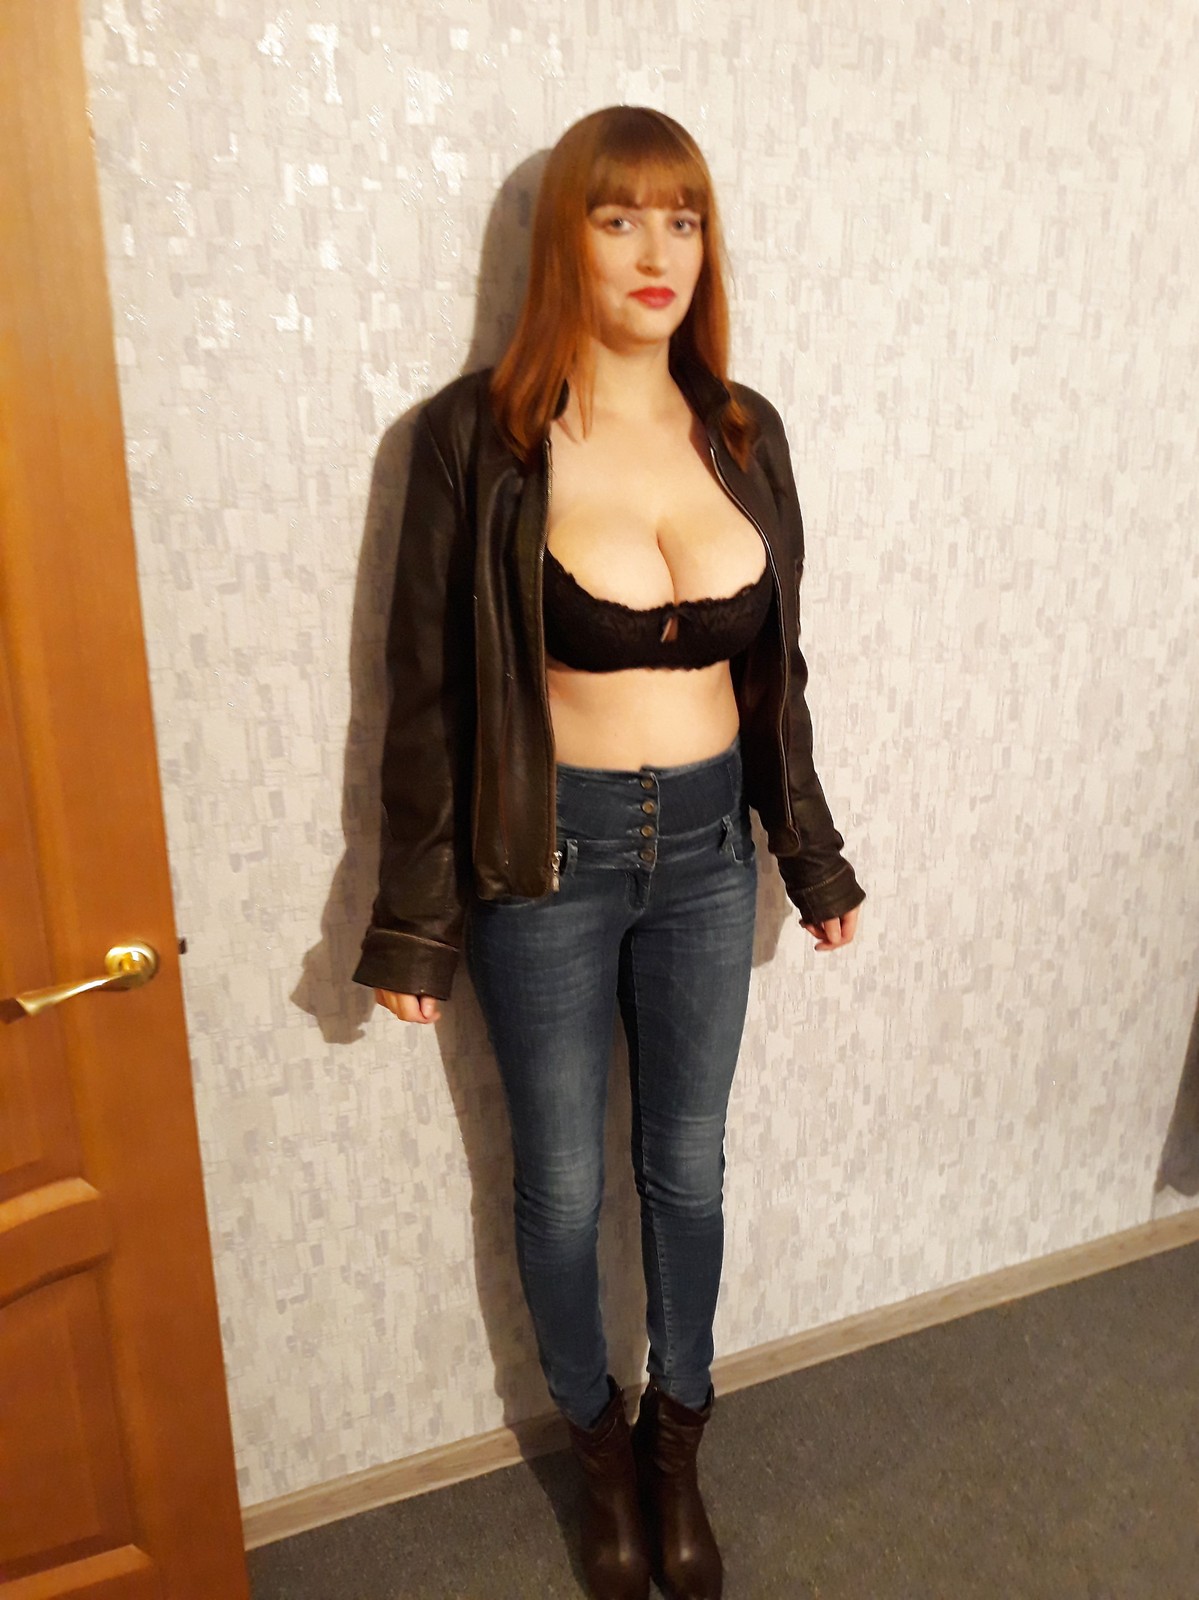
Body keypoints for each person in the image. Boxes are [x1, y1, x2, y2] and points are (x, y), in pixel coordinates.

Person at [354, 106, 864, 1600]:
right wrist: (412, 925)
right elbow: (429, 697)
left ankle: (676, 1442)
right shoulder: (475, 439)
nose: (657, 252)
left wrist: (812, 857)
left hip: (709, 851)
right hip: (550, 862)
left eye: (683, 220)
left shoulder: (744, 432)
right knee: (564, 1185)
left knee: (689, 1170)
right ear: (562, 241)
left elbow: (779, 670)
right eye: (620, 216)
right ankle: (596, 1446)